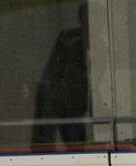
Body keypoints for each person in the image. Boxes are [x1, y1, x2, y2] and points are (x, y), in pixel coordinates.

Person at [32, 4, 92, 146]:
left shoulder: (93, 42)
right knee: (46, 143)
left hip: (70, 104)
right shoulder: (70, 40)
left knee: (76, 144)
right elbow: (63, 74)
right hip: (58, 101)